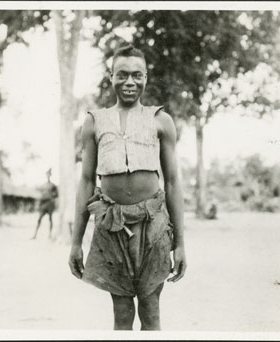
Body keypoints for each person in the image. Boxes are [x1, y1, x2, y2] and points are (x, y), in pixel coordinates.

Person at [68, 45, 187, 330]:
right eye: (122, 75)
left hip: (153, 226)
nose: (130, 82)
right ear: (111, 77)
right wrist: (75, 242)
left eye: (137, 75)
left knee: (150, 309)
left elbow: (172, 182)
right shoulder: (94, 121)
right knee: (121, 315)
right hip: (112, 225)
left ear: (146, 77)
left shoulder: (161, 120)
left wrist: (180, 243)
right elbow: (86, 181)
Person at [32, 168, 58, 240]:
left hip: (50, 204)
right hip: (43, 204)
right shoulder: (43, 186)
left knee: (50, 219)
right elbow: (40, 195)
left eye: (49, 174)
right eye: (47, 174)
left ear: (51, 175)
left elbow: (56, 195)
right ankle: (35, 234)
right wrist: (40, 204)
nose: (48, 176)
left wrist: (52, 195)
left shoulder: (53, 186)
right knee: (39, 219)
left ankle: (50, 235)